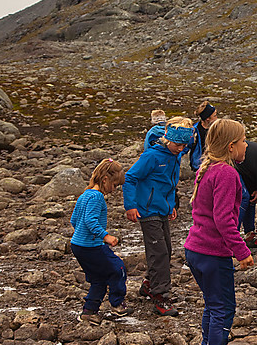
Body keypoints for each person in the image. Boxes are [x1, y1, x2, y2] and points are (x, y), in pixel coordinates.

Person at [184, 118, 254, 345]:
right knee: (223, 308)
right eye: (244, 140)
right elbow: (224, 219)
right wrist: (242, 251)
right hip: (213, 253)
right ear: (232, 146)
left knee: (213, 306)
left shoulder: (208, 169)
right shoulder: (226, 173)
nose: (246, 144)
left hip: (196, 249)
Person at [123, 122, 191, 316]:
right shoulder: (152, 156)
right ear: (168, 139)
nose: (181, 149)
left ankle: (149, 283)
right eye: (178, 145)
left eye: (184, 146)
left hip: (162, 208)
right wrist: (131, 206)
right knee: (159, 252)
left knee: (166, 249)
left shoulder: (175, 156)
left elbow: (169, 184)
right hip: (147, 209)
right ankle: (160, 297)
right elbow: (130, 178)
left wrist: (171, 206)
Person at [70, 158, 130, 325]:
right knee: (118, 268)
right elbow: (90, 220)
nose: (114, 189)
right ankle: (117, 303)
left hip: (78, 245)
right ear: (105, 180)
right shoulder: (97, 197)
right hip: (92, 246)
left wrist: (81, 235)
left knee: (98, 279)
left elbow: (74, 220)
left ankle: (89, 311)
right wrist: (105, 236)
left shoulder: (85, 194)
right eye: (115, 185)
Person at [189, 101, 218, 172]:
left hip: (214, 164)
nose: (217, 118)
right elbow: (185, 147)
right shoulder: (194, 131)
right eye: (214, 116)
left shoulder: (217, 128)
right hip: (198, 166)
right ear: (208, 119)